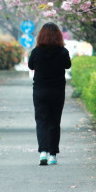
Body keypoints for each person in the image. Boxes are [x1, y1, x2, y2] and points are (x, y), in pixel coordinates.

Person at [28, 22, 71, 166]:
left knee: (41, 121)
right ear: (58, 36)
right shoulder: (63, 52)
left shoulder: (36, 52)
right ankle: (53, 155)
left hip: (40, 91)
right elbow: (68, 65)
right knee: (54, 121)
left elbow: (30, 65)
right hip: (57, 91)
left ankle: (43, 153)